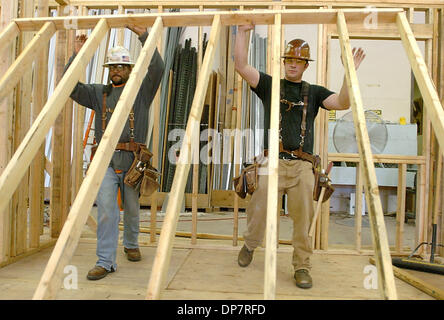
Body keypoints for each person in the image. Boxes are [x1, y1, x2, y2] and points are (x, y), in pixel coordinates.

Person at [234, 24, 365, 289]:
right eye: (289, 60)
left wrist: (349, 71)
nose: (293, 65)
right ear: (284, 62)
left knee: (303, 215)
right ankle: (250, 244)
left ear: (306, 65)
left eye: (299, 61)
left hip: (303, 165)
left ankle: (302, 265)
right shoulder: (269, 85)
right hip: (272, 161)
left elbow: (343, 103)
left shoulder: (314, 92)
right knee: (259, 204)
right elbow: (240, 66)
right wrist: (244, 32)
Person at [65, 25, 165, 280]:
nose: (117, 71)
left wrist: (144, 36)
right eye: (113, 67)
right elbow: (70, 87)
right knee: (108, 210)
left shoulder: (141, 92)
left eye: (121, 67)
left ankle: (131, 243)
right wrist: (77, 53)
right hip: (106, 163)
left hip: (133, 163)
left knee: (132, 208)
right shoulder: (99, 93)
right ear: (108, 70)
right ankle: (105, 260)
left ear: (130, 69)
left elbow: (158, 68)